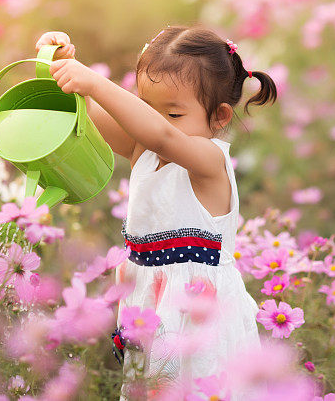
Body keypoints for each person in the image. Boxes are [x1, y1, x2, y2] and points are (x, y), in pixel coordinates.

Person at [34, 27, 276, 396]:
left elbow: (162, 136)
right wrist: (66, 69)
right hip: (151, 306)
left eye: (174, 114)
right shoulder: (142, 151)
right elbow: (90, 112)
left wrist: (96, 82)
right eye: (146, 108)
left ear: (220, 116)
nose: (156, 122)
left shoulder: (209, 161)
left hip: (197, 314)